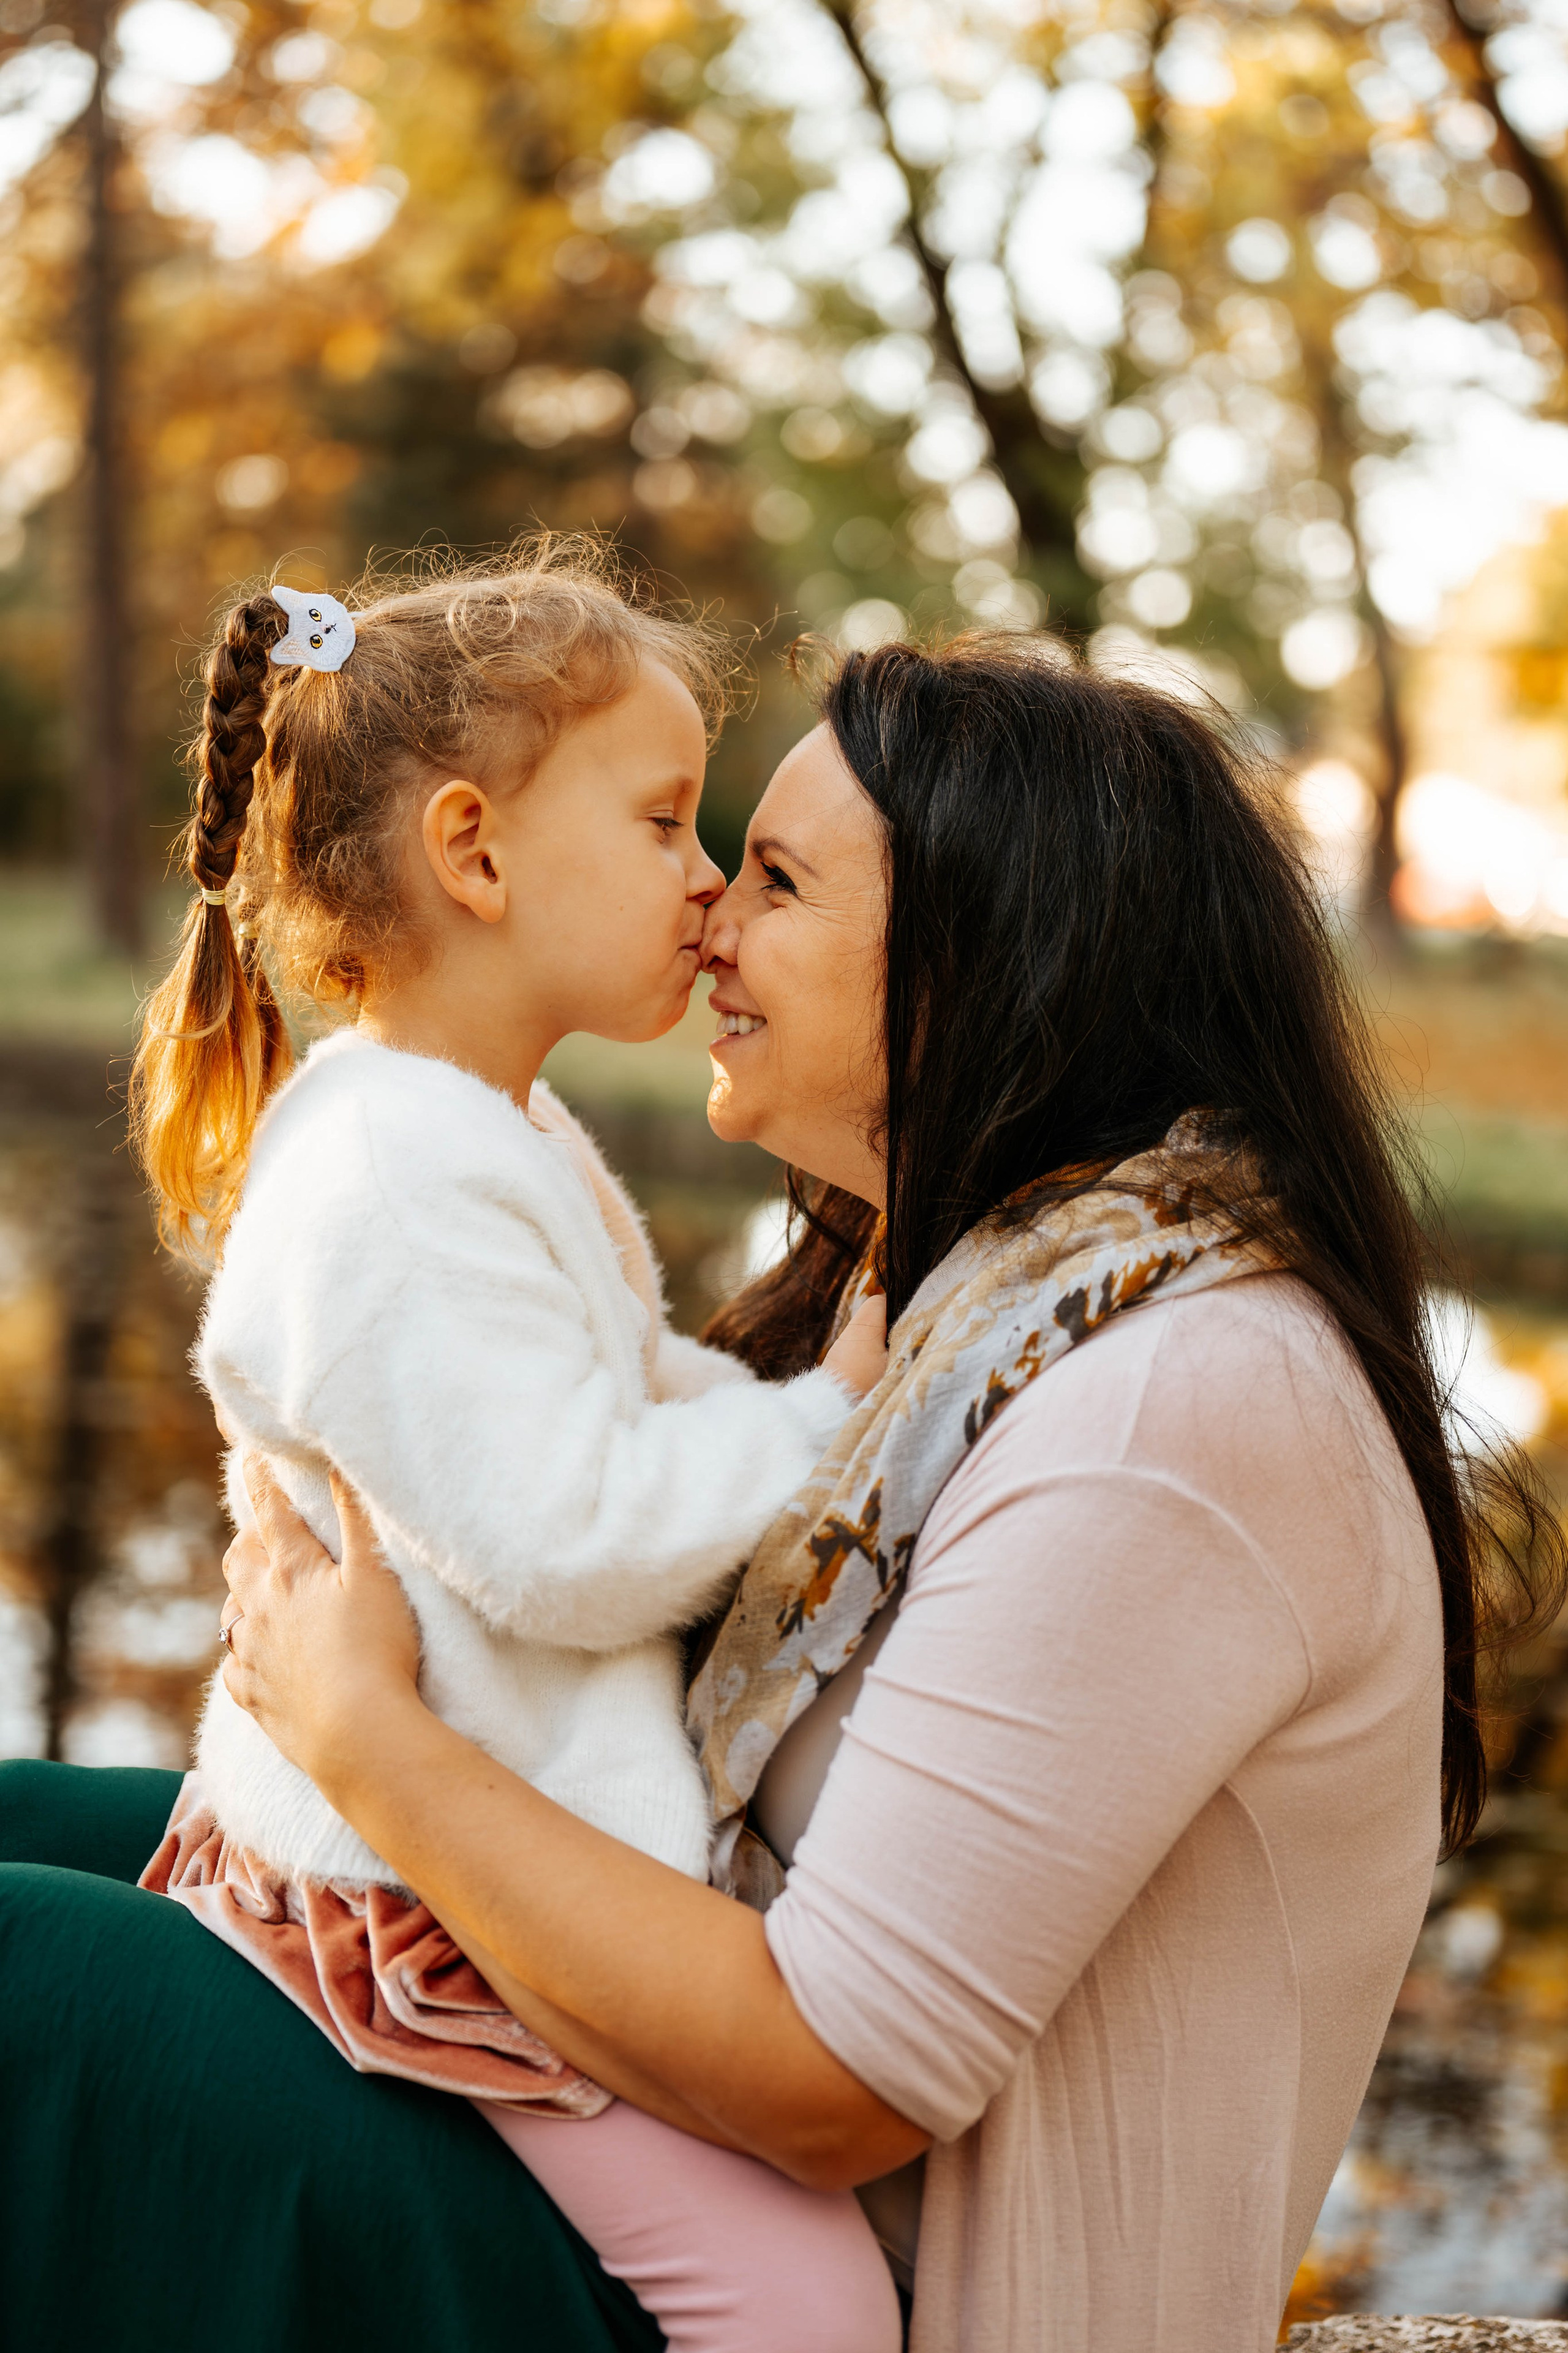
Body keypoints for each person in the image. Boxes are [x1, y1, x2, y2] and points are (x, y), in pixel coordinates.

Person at [1, 633, 1558, 2353]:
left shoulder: (1171, 1407)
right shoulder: (979, 1301)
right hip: (613, 2089)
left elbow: (836, 2076)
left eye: (776, 876)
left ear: (993, 958)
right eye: (700, 849)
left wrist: (363, 1732)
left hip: (822, 2276)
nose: (712, 919)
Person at [124, 544, 899, 2353]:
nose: (707, 887)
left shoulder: (481, 1126)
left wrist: (817, 1414)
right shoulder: (396, 1179)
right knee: (800, 2312)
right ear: (475, 851)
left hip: (466, 1856)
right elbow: (565, 1532)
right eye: (666, 821)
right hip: (403, 1896)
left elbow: (611, 1409)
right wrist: (831, 1418)